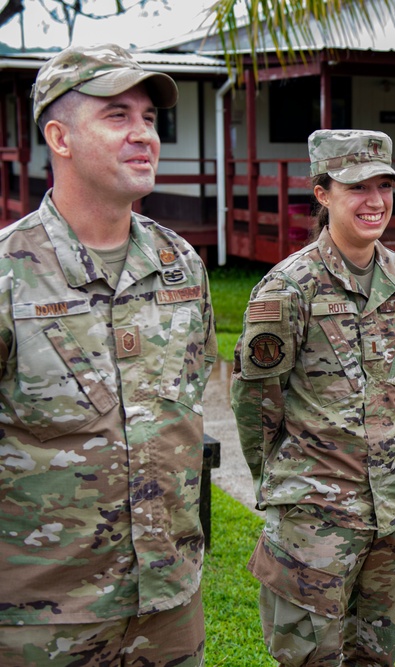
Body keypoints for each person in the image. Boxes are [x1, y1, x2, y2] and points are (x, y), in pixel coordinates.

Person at [0, 45, 217, 666]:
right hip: (42, 621)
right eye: (117, 116)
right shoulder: (9, 276)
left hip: (171, 605)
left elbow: (189, 396)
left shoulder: (181, 265)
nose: (144, 135)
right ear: (60, 137)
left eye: (149, 118)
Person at [231, 129, 395, 666]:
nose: (375, 202)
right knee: (309, 657)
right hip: (316, 514)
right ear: (322, 193)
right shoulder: (287, 289)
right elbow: (255, 404)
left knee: (381, 651)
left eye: (385, 186)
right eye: (357, 187)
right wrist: (284, 481)